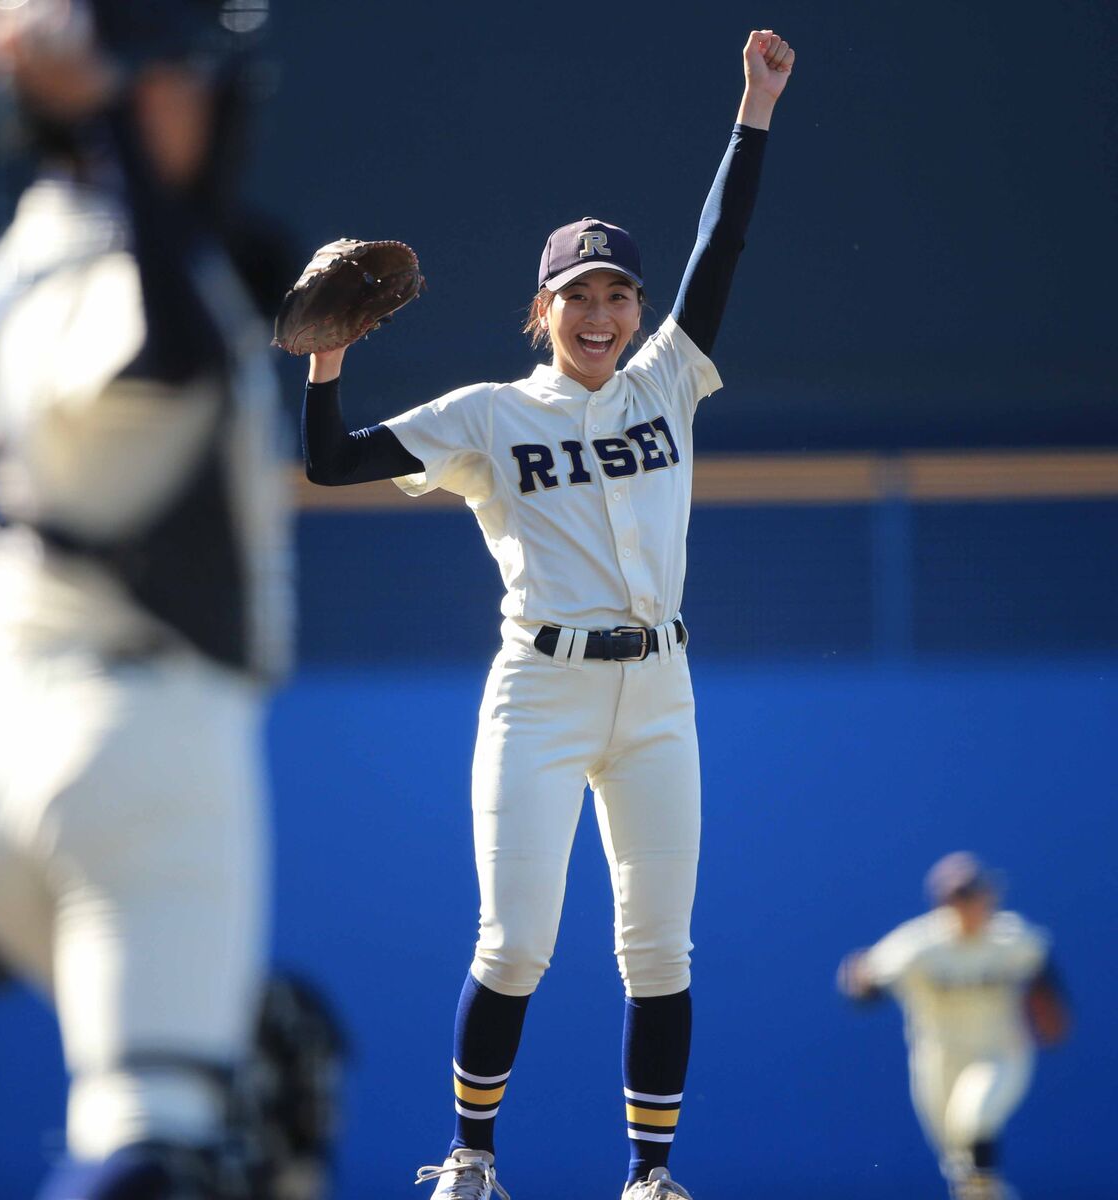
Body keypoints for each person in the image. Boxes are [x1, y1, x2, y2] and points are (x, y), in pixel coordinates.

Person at [295, 26, 795, 1199]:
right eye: (581, 294)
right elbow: (329, 466)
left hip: (659, 690)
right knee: (515, 945)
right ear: (542, 307)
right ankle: (470, 1156)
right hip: (540, 689)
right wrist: (323, 365)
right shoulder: (486, 416)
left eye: (620, 292)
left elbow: (720, 249)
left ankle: (650, 1175)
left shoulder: (667, 376)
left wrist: (753, 111)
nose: (605, 313)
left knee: (657, 950)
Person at [0, 2, 342, 1197]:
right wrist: (112, 113)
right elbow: (167, 355)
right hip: (135, 740)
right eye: (178, 73)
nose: (207, 94)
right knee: (163, 1156)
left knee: (258, 1059)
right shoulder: (97, 263)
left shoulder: (3, 270)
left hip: (9, 750)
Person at [837, 852, 1070, 1200]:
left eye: (973, 892)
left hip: (1000, 1053)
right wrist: (858, 979)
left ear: (989, 894)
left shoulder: (1012, 939)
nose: (968, 903)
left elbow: (1044, 977)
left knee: (974, 1119)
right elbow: (865, 987)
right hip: (939, 1060)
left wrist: (1049, 1012)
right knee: (964, 1170)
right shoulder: (920, 945)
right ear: (943, 903)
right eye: (957, 896)